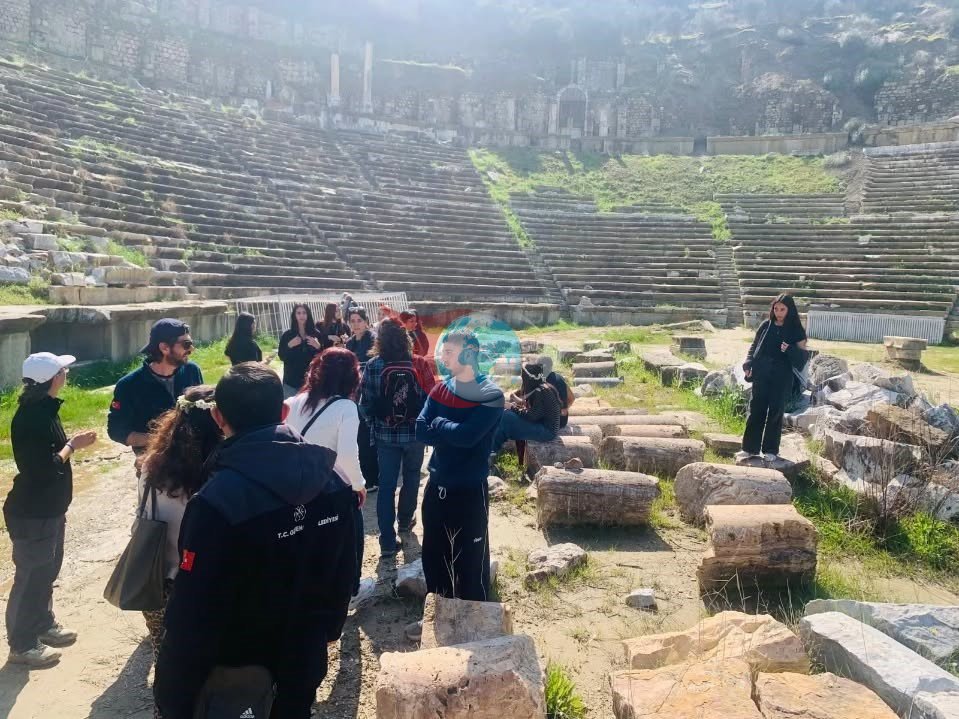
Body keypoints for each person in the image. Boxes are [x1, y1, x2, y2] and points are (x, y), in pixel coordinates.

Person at [154, 363, 356, 719]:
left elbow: (193, 608)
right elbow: (346, 569)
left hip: (237, 667)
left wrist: (172, 695)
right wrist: (329, 627)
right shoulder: (334, 479)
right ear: (283, 411)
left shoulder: (217, 501)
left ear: (218, 417)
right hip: (305, 652)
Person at [5, 352, 97, 668]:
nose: (67, 374)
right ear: (54, 378)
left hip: (49, 509)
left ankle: (43, 625)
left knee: (46, 571)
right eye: (64, 370)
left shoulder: (44, 410)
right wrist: (73, 445)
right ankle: (22, 644)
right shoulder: (32, 417)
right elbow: (43, 470)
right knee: (31, 576)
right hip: (33, 513)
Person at [139, 385, 221, 718]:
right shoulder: (215, 475)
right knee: (209, 667)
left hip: (158, 580)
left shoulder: (150, 467)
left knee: (168, 661)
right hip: (198, 586)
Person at [415, 330, 504, 600]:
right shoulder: (441, 388)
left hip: (468, 488)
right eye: (443, 352)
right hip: (437, 485)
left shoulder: (490, 394)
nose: (443, 358)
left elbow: (468, 437)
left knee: (470, 558)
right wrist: (450, 430)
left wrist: (440, 424)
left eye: (449, 353)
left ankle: (475, 616)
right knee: (433, 553)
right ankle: (439, 611)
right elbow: (420, 429)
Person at [285, 349, 375, 612]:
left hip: (297, 484)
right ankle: (352, 589)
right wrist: (358, 485)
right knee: (350, 537)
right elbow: (348, 453)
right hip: (333, 486)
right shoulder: (346, 407)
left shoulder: (295, 400)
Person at [359, 318, 435, 557]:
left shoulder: (373, 366)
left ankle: (387, 543)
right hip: (415, 434)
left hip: (385, 435)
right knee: (412, 478)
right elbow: (431, 399)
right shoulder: (419, 364)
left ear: (379, 340)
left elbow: (365, 406)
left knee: (386, 485)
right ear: (406, 338)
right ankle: (404, 522)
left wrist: (376, 425)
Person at [108, 319, 203, 461]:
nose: (191, 349)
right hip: (155, 465)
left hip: (193, 460)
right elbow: (116, 430)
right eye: (186, 344)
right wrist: (161, 438)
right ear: (164, 348)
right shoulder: (129, 385)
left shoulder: (192, 371)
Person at [738, 293, 808, 462]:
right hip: (762, 373)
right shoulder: (765, 325)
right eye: (776, 309)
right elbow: (754, 346)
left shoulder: (797, 331)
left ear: (789, 310)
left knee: (776, 412)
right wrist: (748, 364)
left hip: (782, 376)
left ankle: (770, 450)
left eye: (782, 309)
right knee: (756, 410)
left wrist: (789, 349)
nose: (778, 312)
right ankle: (749, 448)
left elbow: (803, 358)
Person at [490, 362, 562, 454]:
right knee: (506, 415)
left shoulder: (540, 391)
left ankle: (492, 450)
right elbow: (535, 413)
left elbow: (533, 416)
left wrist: (512, 407)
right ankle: (492, 448)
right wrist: (514, 407)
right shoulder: (541, 388)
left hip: (547, 432)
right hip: (544, 427)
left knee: (506, 417)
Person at [345, 307, 378, 491]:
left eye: (359, 320)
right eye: (353, 321)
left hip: (371, 393)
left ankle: (372, 477)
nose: (356, 324)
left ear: (366, 321)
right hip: (354, 394)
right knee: (359, 436)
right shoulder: (349, 343)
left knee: (368, 436)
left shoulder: (373, 340)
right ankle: (365, 475)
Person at [278, 303, 322, 398]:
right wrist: (289, 345)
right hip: (291, 383)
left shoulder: (316, 334)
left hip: (311, 382)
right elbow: (281, 356)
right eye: (298, 313)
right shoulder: (287, 335)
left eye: (304, 313)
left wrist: (318, 346)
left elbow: (324, 357)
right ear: (294, 315)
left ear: (308, 315)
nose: (301, 315)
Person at [537, 354, 574, 429]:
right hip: (562, 421)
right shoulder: (559, 378)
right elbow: (572, 398)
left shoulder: (537, 380)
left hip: (546, 422)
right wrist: (563, 410)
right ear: (551, 366)